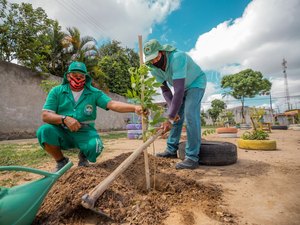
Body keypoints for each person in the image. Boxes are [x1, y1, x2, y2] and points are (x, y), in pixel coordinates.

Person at [37, 61, 144, 172]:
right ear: (68, 76)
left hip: (85, 131)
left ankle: (84, 156)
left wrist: (134, 107)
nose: (78, 78)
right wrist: (64, 119)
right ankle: (61, 161)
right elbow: (46, 115)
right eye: (74, 75)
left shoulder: (94, 93)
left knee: (96, 146)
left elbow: (112, 104)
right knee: (44, 131)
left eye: (81, 76)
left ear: (85, 77)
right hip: (62, 130)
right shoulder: (57, 91)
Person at [143, 39, 207, 170]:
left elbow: (177, 90)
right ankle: (171, 150)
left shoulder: (177, 57)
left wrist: (170, 117)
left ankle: (192, 157)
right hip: (181, 88)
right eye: (151, 59)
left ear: (161, 52)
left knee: (190, 115)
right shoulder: (153, 69)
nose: (154, 61)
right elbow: (165, 90)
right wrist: (173, 112)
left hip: (195, 83)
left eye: (156, 57)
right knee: (176, 116)